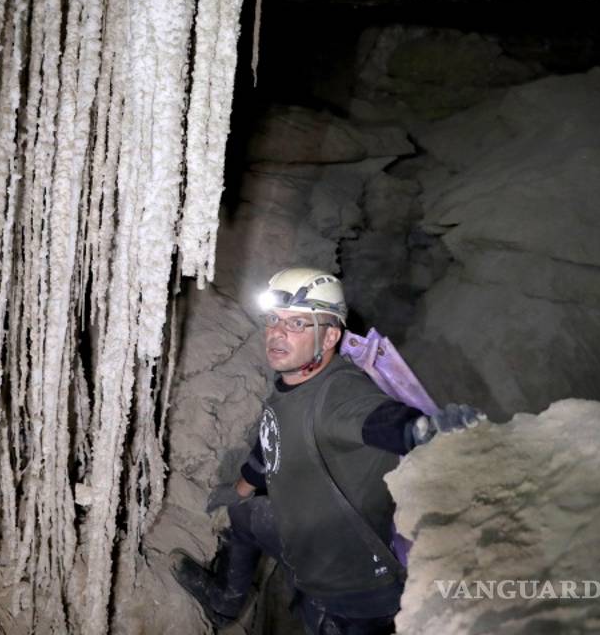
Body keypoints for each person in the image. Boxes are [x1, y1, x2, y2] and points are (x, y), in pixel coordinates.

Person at [171, 267, 484, 634]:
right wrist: (236, 492)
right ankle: (224, 604)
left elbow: (380, 419)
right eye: (274, 320)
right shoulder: (291, 385)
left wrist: (421, 429)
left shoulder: (338, 393)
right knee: (246, 515)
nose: (277, 333)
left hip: (354, 595)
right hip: (305, 542)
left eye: (299, 324)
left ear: (331, 335)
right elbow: (269, 446)